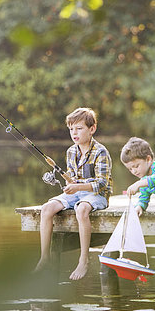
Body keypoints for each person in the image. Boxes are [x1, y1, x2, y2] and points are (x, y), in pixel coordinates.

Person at [34, 107, 113, 280]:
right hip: (77, 193)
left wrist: (77, 187)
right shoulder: (71, 151)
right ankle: (45, 258)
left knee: (81, 210)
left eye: (79, 128)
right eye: (71, 129)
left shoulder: (101, 152)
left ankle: (83, 260)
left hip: (98, 195)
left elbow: (101, 183)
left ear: (92, 129)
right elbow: (73, 179)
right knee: (47, 208)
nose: (74, 133)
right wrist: (69, 184)